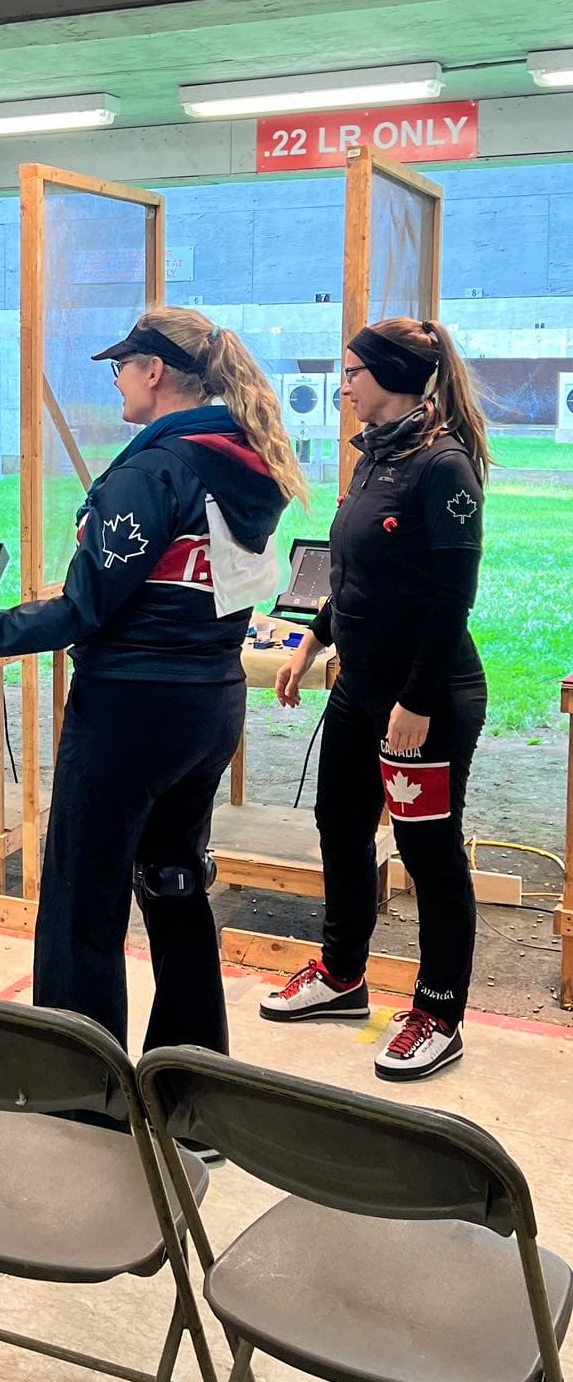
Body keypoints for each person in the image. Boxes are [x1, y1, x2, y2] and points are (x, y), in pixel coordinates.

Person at [0, 308, 307, 1059]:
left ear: (154, 372)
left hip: (129, 714)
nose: (114, 380)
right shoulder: (250, 460)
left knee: (82, 899)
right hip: (210, 706)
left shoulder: (153, 469)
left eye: (121, 366)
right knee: (176, 883)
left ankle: (83, 1099)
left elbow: (82, 610)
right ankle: (192, 1080)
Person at [265, 316, 490, 1082]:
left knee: (429, 854)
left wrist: (419, 702)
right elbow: (358, 575)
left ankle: (439, 1011)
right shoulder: (372, 460)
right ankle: (342, 976)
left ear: (390, 376)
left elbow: (449, 597)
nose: (345, 385)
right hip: (360, 693)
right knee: (339, 827)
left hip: (426, 699)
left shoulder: (443, 467)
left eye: (354, 372)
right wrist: (313, 641)